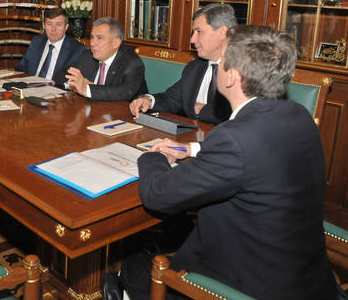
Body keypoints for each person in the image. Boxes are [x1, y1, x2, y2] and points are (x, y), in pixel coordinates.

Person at [107, 25, 338, 300]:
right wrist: (192, 148)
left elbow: (157, 194)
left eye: (221, 62)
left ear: (232, 76)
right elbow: (259, 153)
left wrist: (153, 156)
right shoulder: (297, 115)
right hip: (307, 275)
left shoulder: (234, 138)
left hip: (245, 284)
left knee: (131, 269)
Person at [129, 3, 235, 125]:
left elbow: (241, 114)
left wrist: (202, 110)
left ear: (222, 32)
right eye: (193, 32)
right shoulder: (195, 67)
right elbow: (172, 99)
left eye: (199, 31)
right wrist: (148, 100)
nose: (192, 40)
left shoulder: (243, 69)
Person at [53, 17, 147, 101]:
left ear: (115, 42)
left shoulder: (132, 62)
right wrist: (74, 83)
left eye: (99, 38)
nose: (92, 43)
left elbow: (124, 92)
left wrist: (87, 89)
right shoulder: (88, 55)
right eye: (92, 37)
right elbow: (60, 76)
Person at [15, 8, 86, 80]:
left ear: (66, 27)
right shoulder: (37, 41)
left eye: (58, 24)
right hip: (31, 84)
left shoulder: (77, 50)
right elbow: (21, 69)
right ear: (44, 26)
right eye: (49, 24)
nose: (53, 29)